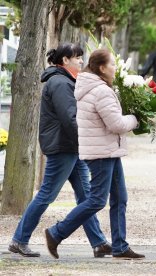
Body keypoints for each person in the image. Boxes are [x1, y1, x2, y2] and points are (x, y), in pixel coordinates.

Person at [8, 43, 111, 258]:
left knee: (86, 197)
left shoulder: (66, 81)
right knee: (47, 194)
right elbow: (70, 118)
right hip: (64, 146)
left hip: (71, 146)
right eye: (77, 58)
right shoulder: (60, 83)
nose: (81, 61)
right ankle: (19, 240)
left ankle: (99, 243)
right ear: (65, 60)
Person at [44, 49, 145, 260]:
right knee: (97, 200)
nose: (115, 68)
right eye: (112, 64)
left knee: (119, 198)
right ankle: (56, 233)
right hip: (101, 152)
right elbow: (116, 123)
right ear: (101, 68)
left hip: (106, 149)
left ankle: (120, 246)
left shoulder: (93, 87)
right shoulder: (101, 91)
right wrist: (135, 119)